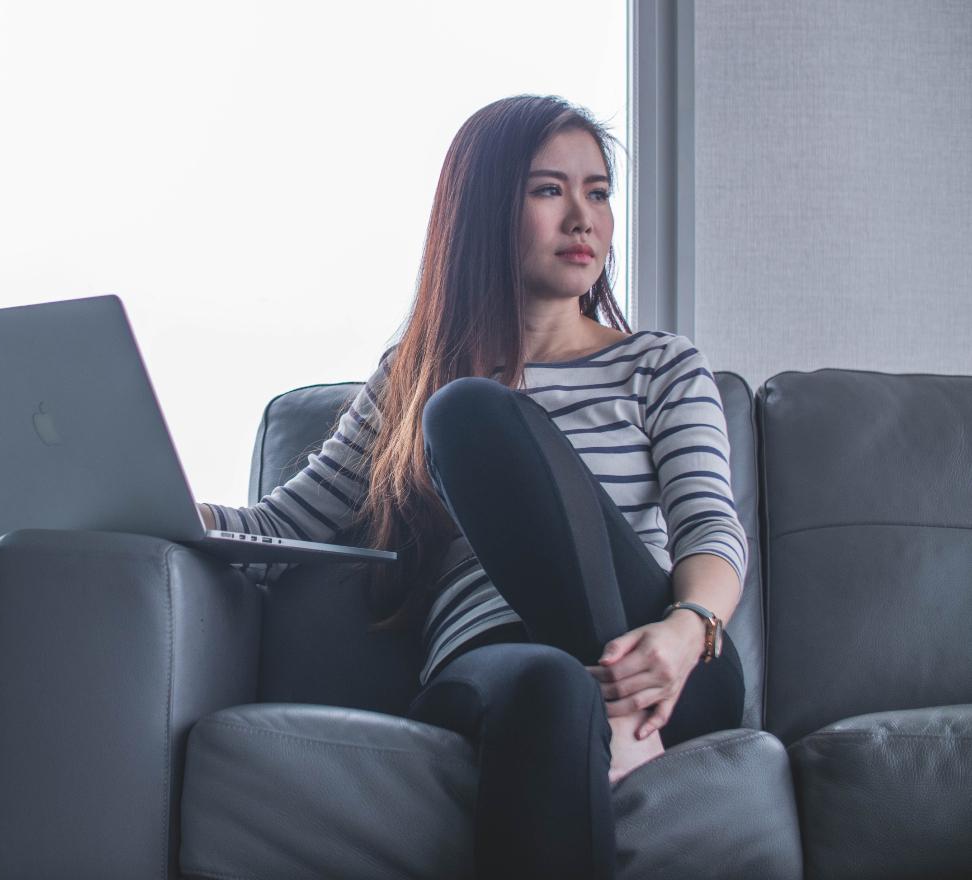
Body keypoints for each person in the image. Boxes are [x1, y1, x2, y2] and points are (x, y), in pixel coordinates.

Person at [196, 94, 747, 880]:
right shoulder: (412, 378)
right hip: (495, 664)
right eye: (549, 190)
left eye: (598, 192)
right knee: (551, 676)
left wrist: (687, 629)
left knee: (472, 412)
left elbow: (710, 530)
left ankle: (622, 709)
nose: (583, 219)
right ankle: (606, 720)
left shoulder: (661, 366)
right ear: (486, 207)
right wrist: (156, 506)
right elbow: (282, 530)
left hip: (667, 665)